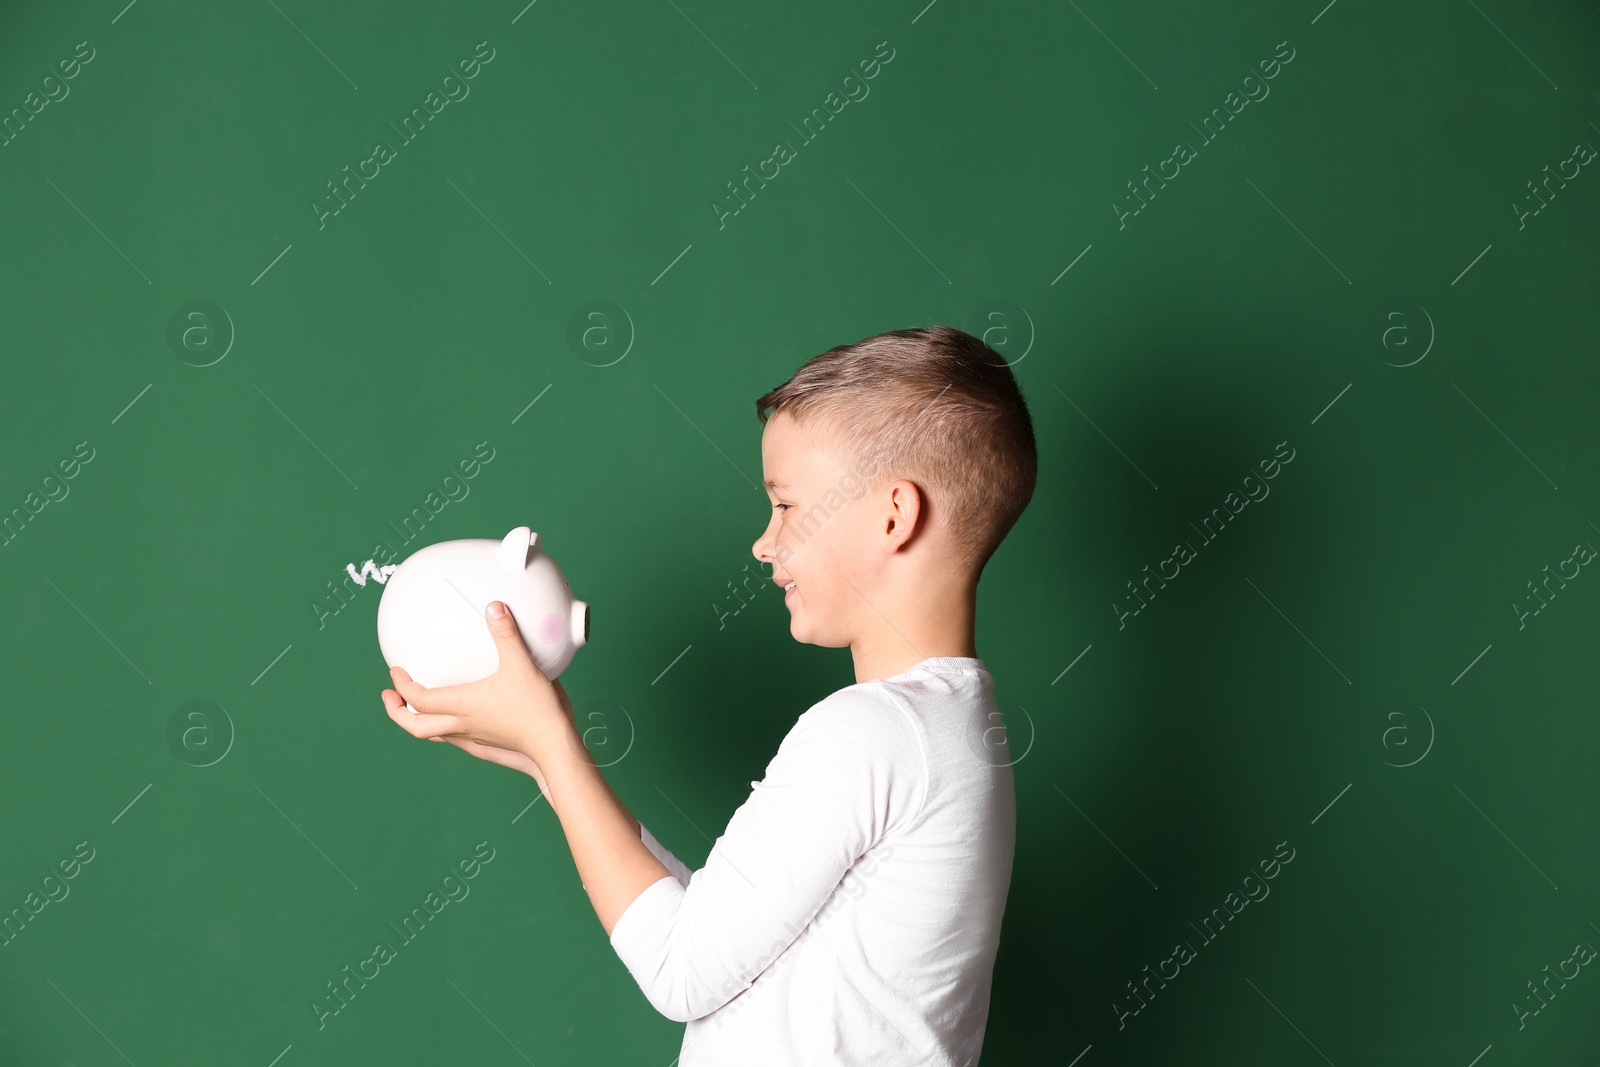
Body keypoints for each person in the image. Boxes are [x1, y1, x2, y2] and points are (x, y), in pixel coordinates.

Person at [381, 324, 1038, 1064]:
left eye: (787, 506)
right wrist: (542, 757)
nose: (765, 541)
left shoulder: (868, 731)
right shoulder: (947, 728)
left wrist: (553, 746)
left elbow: (681, 969)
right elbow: (725, 940)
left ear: (894, 514)